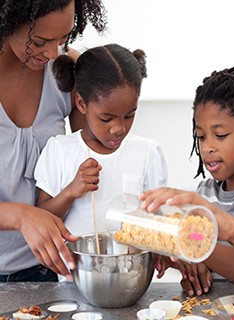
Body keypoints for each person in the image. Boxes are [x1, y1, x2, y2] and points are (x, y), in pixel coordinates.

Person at [141, 65, 234, 296]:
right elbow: (197, 244)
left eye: (221, 135)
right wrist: (187, 262)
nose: (207, 147)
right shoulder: (206, 193)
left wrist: (184, 241)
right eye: (201, 137)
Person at [0, 0, 107, 281]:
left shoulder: (67, 71)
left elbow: (96, 161)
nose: (51, 53)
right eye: (39, 41)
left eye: (63, 38)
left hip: (54, 270)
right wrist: (21, 216)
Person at [34, 44, 167, 238]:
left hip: (133, 266)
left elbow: (159, 219)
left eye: (129, 115)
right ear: (81, 103)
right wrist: (70, 191)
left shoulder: (147, 152)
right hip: (76, 267)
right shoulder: (60, 151)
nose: (119, 129)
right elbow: (41, 218)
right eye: (106, 119)